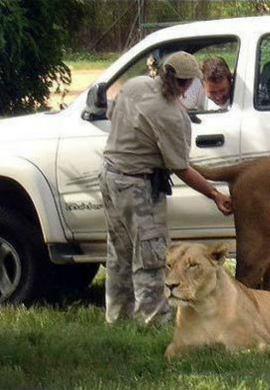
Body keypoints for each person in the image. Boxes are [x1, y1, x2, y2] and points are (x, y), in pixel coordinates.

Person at [99, 51, 233, 326]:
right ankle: (153, 322)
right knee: (150, 256)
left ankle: (117, 318)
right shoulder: (172, 116)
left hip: (110, 177)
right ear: (187, 84)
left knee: (119, 253)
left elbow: (114, 114)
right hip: (138, 186)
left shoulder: (135, 85)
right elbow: (180, 167)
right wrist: (215, 194)